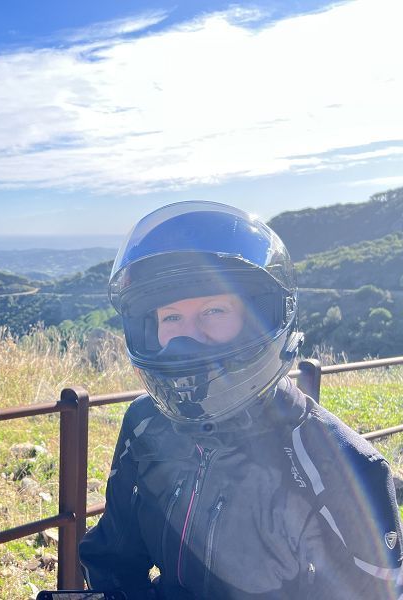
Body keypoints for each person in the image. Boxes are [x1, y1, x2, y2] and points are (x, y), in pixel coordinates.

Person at [78, 201, 403, 599]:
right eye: (171, 317)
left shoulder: (342, 466)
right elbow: (114, 557)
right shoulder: (147, 423)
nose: (187, 337)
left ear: (259, 320)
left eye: (213, 310)